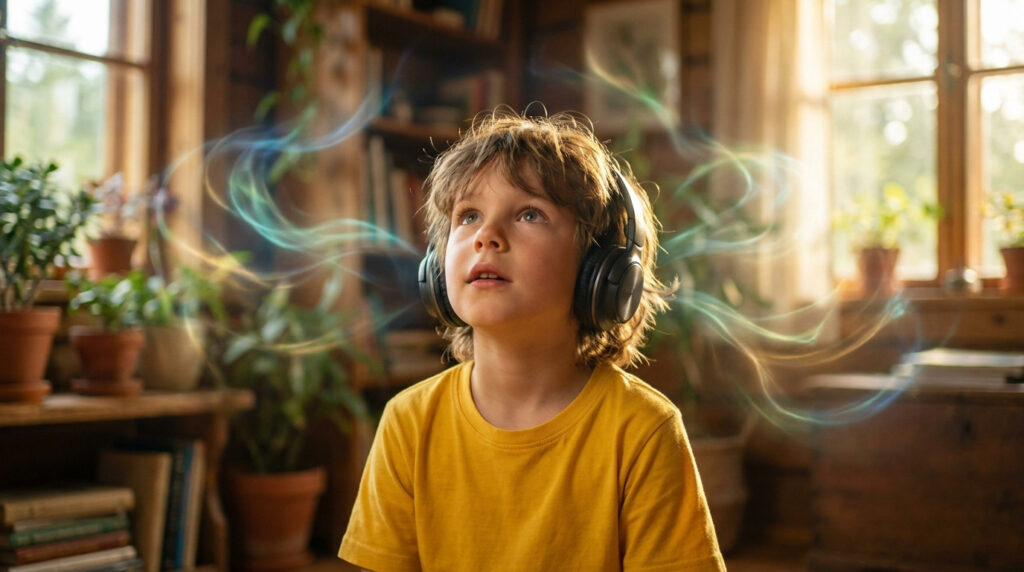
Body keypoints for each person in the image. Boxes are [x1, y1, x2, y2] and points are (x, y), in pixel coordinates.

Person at [339, 108, 725, 571]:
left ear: (600, 273)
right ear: (437, 272)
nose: (487, 236)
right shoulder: (408, 423)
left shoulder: (643, 431)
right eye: (468, 216)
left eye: (529, 213)